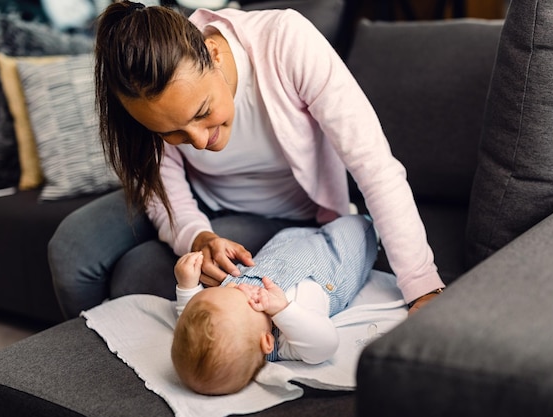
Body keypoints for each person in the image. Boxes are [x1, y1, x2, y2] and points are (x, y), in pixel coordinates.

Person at [48, 1, 444, 320]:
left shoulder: (286, 42)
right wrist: (196, 236)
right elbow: (161, 182)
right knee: (71, 249)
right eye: (173, 133)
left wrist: (423, 287)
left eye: (202, 112)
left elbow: (374, 166)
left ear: (214, 53)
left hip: (283, 213)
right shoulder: (144, 99)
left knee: (138, 273)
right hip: (198, 201)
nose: (199, 141)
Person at [172, 214, 377, 395]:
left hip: (285, 246)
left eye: (225, 289)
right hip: (336, 258)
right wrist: (283, 310)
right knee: (358, 226)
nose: (236, 286)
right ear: (267, 341)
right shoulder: (285, 343)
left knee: (303, 230)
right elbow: (325, 344)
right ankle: (373, 230)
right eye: (243, 297)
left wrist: (187, 286)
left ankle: (325, 218)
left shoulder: (234, 305)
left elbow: (192, 319)